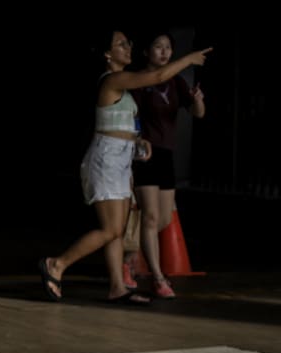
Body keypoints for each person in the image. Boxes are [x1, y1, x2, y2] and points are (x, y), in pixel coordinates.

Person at [37, 30, 210, 304]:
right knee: (110, 230)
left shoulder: (125, 89)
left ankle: (117, 287)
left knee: (117, 229)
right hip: (106, 159)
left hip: (121, 160)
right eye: (120, 44)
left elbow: (120, 124)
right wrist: (188, 59)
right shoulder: (113, 80)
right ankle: (56, 264)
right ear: (108, 54)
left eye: (128, 42)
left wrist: (139, 141)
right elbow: (156, 77)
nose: (127, 47)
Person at [124, 30, 207, 298]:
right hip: (145, 154)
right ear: (146, 52)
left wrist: (197, 100)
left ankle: (130, 256)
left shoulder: (175, 82)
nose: (164, 52)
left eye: (168, 48)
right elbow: (130, 119)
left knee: (160, 219)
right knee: (149, 217)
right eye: (158, 47)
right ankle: (159, 279)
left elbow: (198, 114)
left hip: (167, 155)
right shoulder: (138, 81)